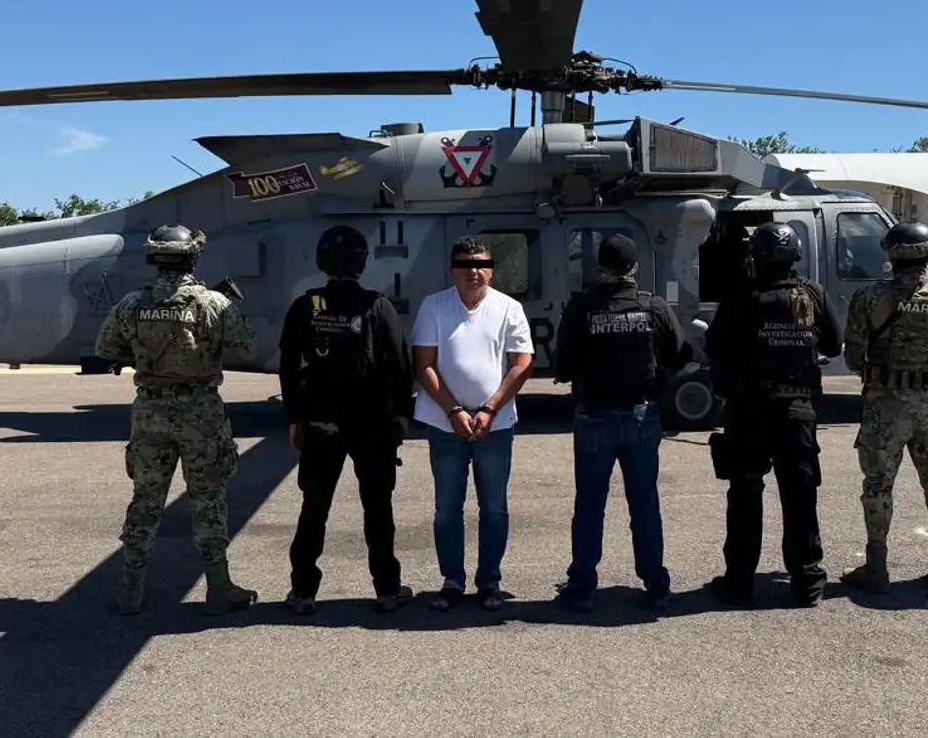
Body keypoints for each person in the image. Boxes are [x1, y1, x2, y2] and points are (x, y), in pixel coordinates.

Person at [94, 224, 259, 615]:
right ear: (193, 257)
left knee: (146, 500)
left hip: (150, 412)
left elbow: (104, 347)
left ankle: (131, 590)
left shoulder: (132, 304)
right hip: (201, 413)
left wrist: (142, 353)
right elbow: (248, 349)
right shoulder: (213, 304)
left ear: (154, 258)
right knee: (208, 499)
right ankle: (218, 586)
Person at [702, 221, 842, 608]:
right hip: (798, 411)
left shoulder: (742, 296)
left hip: (750, 412)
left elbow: (715, 346)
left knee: (745, 495)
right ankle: (808, 582)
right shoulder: (812, 293)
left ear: (756, 256)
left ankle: (739, 583)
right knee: (800, 497)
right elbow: (834, 343)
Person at [279, 225, 417, 614]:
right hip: (372, 425)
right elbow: (401, 366)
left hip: (320, 423)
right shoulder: (378, 306)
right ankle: (387, 589)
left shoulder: (306, 306)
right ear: (362, 263)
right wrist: (401, 416)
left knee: (314, 507)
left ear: (322, 261)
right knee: (378, 508)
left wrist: (294, 417)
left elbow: (288, 366)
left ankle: (303, 591)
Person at [551, 234, 692, 612]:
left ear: (599, 267)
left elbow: (561, 365)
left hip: (594, 418)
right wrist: (659, 380)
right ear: (635, 268)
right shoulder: (652, 306)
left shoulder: (581, 308)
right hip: (641, 416)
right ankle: (656, 586)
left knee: (589, 506)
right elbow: (682, 353)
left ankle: (582, 588)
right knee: (644, 504)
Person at [840, 220, 928, 593]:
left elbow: (853, 357)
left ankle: (877, 568)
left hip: (886, 406)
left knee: (878, 485)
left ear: (892, 255)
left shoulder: (871, 297)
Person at [411, 236, 535, 611]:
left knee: (494, 508)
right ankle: (452, 580)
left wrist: (490, 409)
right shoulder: (434, 306)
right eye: (465, 265)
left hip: (494, 427)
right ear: (453, 270)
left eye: (481, 264)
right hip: (444, 424)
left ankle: (489, 581)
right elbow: (423, 364)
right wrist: (453, 411)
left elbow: (522, 363)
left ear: (491, 270)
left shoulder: (509, 308)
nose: (474, 272)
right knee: (447, 508)